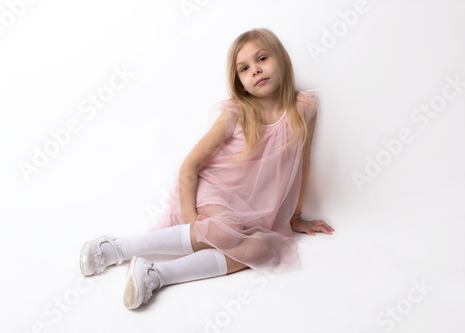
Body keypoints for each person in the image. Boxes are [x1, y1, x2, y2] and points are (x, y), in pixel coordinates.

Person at [79, 28, 335, 310]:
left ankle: (156, 275)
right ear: (239, 81)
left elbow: (303, 162)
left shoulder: (303, 109)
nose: (256, 71)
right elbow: (190, 165)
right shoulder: (236, 114)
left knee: (264, 249)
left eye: (262, 59)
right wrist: (192, 219)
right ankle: (117, 248)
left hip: (254, 210)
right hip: (213, 192)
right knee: (225, 232)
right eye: (245, 68)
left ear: (282, 59)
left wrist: (295, 216)